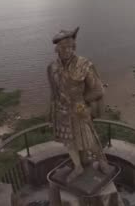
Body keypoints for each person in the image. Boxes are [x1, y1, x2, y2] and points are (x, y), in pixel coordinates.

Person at [47, 27, 110, 182]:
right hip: (61, 110)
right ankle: (78, 167)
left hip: (79, 106)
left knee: (88, 138)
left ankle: (102, 161)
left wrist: (82, 102)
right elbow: (53, 92)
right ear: (57, 49)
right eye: (63, 47)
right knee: (68, 142)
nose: (67, 50)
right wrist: (50, 112)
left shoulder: (84, 64)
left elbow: (98, 90)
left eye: (70, 47)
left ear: (74, 47)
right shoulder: (52, 68)